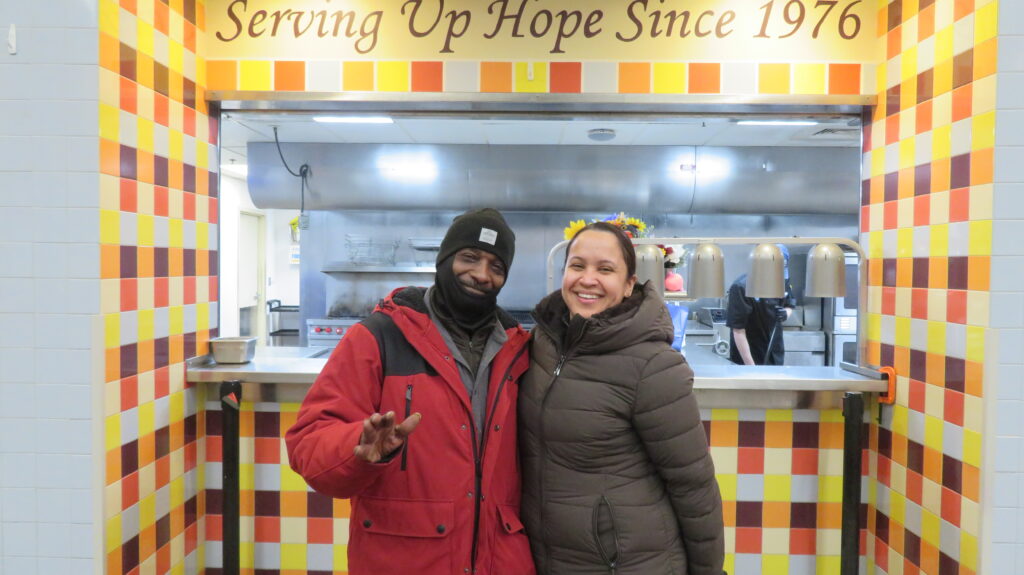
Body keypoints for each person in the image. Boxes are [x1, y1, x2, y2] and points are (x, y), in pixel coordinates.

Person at [285, 208, 534, 575]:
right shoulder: (378, 337)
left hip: (499, 562)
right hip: (403, 559)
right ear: (444, 259)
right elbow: (309, 446)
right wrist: (357, 446)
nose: (482, 274)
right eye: (469, 257)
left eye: (496, 266)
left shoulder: (518, 350)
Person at [519, 221, 725, 575]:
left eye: (605, 269)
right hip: (548, 558)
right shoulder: (540, 344)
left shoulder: (653, 366)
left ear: (630, 284)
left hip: (628, 563)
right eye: (577, 265)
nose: (588, 279)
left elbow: (693, 486)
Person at [726, 244, 797, 366]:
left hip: (775, 352)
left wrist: (785, 313)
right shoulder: (741, 287)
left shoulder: (781, 281)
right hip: (748, 357)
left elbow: (790, 304)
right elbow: (738, 330)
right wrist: (752, 368)